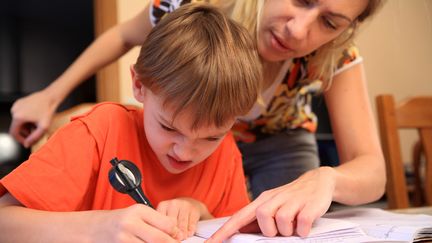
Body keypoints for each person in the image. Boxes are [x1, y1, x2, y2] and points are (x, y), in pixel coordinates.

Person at [9, 0, 387, 239]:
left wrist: (325, 178)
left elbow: (371, 169)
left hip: (275, 141)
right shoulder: (192, 11)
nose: (299, 31)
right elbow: (124, 35)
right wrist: (51, 95)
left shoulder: (222, 153)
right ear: (139, 87)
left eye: (330, 22)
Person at [0, 3, 262, 242]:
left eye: (211, 137)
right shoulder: (99, 132)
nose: (184, 152)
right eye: (169, 127)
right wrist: (96, 228)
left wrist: (201, 212)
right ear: (139, 86)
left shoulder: (227, 153)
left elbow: (236, 231)